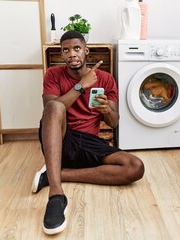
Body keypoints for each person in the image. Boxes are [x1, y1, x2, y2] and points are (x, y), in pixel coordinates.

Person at [31, 30, 145, 235]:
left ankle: (55, 174)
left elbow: (113, 122)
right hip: (63, 138)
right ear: (62, 55)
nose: (71, 54)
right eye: (65, 50)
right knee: (55, 107)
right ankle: (56, 195)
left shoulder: (105, 78)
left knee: (135, 167)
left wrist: (106, 110)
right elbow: (51, 109)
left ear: (86, 51)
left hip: (90, 141)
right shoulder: (53, 75)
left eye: (76, 48)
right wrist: (81, 85)